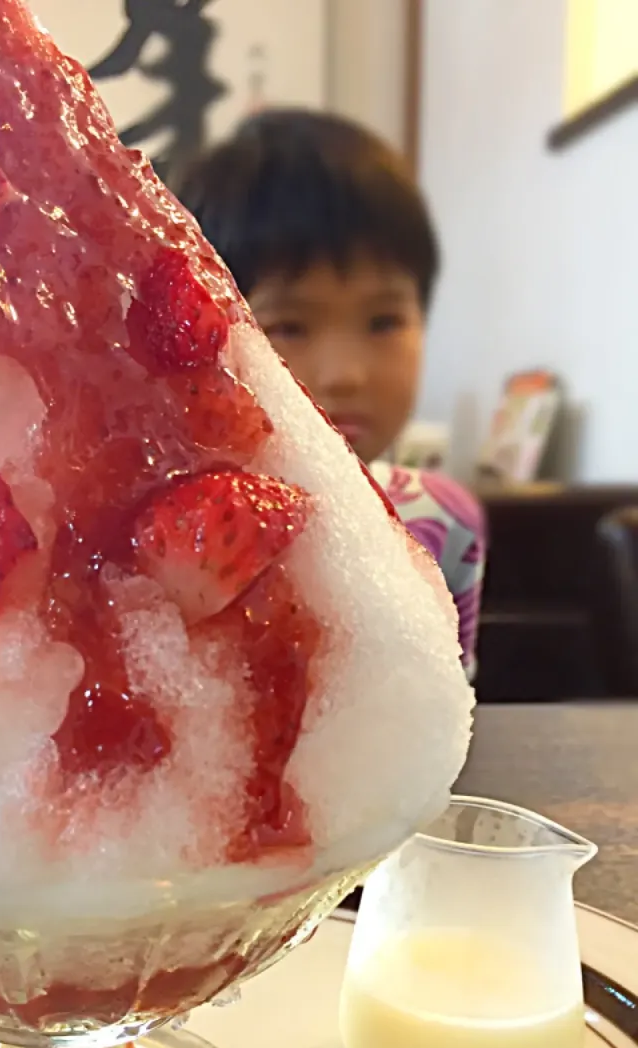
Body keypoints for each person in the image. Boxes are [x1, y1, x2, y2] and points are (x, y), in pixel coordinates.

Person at [177, 110, 485, 678]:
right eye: (289, 326)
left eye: (384, 321)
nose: (347, 374)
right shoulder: (181, 541)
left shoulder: (441, 522)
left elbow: (446, 727)